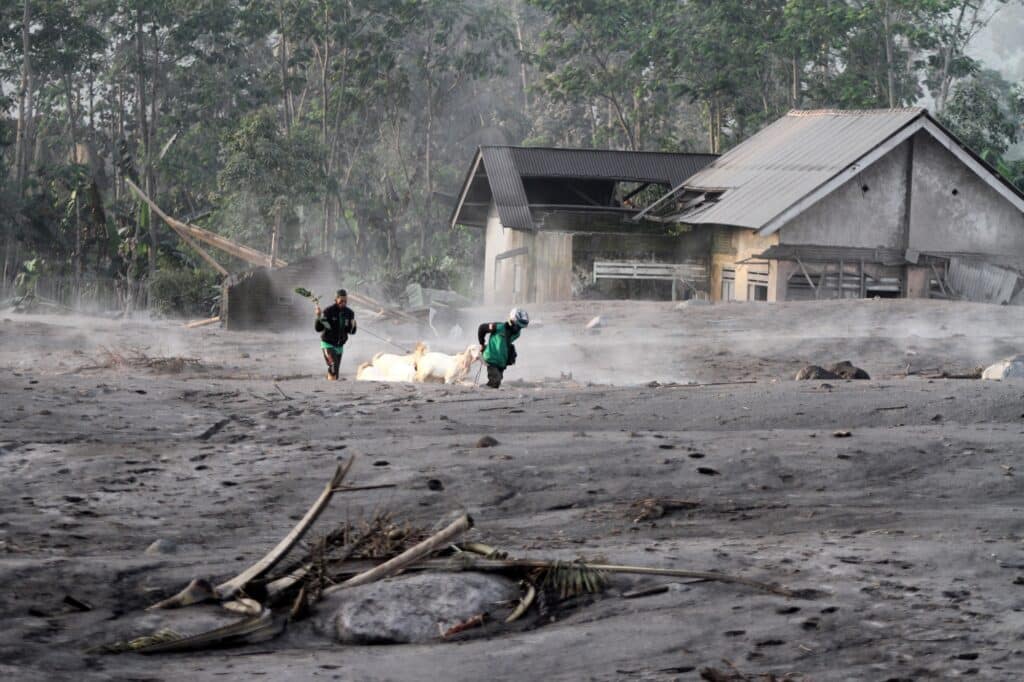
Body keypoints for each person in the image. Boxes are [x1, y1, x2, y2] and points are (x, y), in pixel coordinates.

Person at [478, 308, 529, 389]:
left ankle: (485, 390)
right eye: (518, 326)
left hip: (502, 362)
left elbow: (504, 343)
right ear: (512, 320)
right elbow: (482, 328)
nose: (518, 329)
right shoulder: (499, 327)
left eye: (521, 327)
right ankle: (481, 390)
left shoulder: (517, 334)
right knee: (495, 381)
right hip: (491, 358)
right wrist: (482, 344)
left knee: (497, 381)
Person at [315, 289, 357, 381]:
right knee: (333, 366)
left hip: (339, 346)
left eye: (345, 300)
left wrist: (354, 325)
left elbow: (351, 331)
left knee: (336, 372)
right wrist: (318, 317)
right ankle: (331, 385)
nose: (343, 302)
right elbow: (319, 328)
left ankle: (330, 387)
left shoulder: (349, 313)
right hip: (328, 344)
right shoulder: (328, 311)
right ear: (336, 299)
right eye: (341, 300)